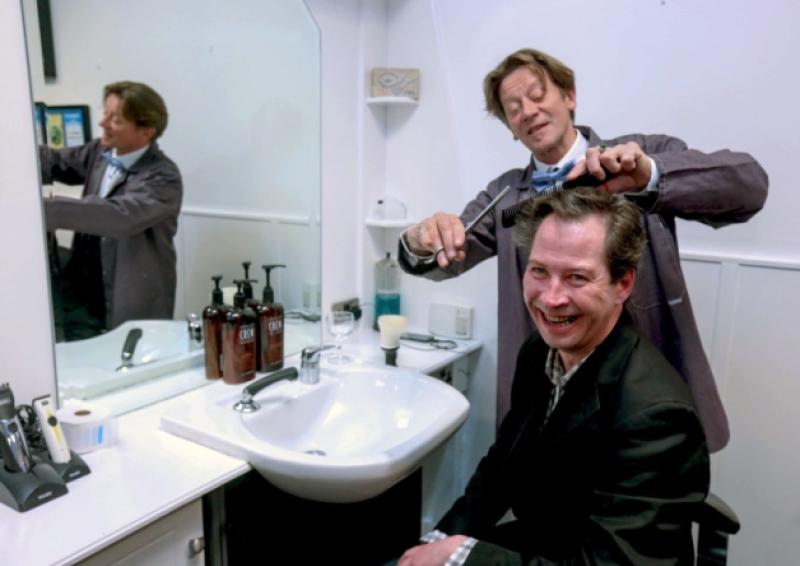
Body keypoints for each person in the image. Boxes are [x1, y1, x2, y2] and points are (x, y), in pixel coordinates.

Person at [398, 48, 768, 451]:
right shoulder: (503, 197)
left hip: (645, 387)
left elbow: (749, 187)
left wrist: (650, 177)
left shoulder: (638, 156)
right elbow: (442, 257)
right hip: (552, 398)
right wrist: (420, 241)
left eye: (538, 95)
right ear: (510, 126)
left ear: (569, 96)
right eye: (513, 108)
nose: (528, 111)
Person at [397, 188, 710, 565]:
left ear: (622, 284)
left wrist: (462, 557)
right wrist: (439, 539)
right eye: (539, 271)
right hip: (547, 543)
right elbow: (503, 467)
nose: (550, 298)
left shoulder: (657, 417)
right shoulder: (539, 352)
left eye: (577, 277)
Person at [40, 81, 182, 341]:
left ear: (146, 131)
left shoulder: (163, 177)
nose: (102, 123)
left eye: (115, 118)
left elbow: (118, 216)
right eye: (104, 113)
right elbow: (55, 162)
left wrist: (42, 211)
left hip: (129, 303)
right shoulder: (100, 151)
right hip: (81, 303)